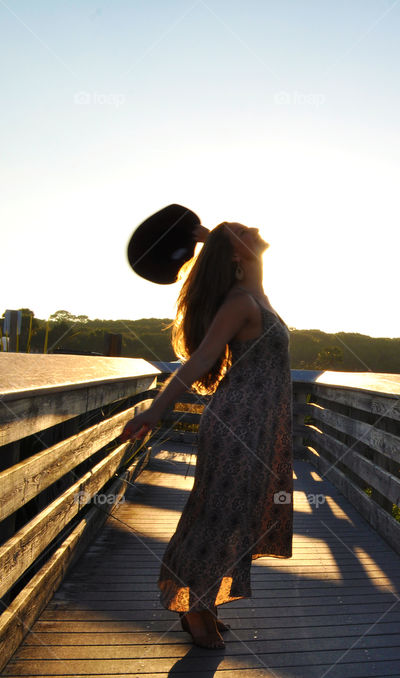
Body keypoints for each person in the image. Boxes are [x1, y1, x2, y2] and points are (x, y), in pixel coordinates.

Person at [120, 222, 293, 649]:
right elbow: (198, 363)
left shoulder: (257, 295)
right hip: (238, 425)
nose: (255, 228)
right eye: (244, 231)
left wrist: (205, 232)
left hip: (261, 427)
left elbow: (225, 243)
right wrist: (155, 412)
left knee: (235, 517)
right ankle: (195, 609)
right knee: (217, 515)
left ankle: (205, 602)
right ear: (236, 254)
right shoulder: (239, 301)